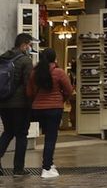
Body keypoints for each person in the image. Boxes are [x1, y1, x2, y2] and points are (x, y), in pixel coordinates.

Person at [25, 48, 72, 178]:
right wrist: (62, 99)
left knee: (44, 135)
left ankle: (48, 165)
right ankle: (47, 167)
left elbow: (29, 92)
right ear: (54, 58)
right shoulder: (59, 72)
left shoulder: (34, 73)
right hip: (54, 108)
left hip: (37, 109)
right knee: (50, 138)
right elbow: (68, 89)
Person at [0, 33, 36, 176]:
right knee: (21, 134)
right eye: (30, 45)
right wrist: (31, 102)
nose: (30, 48)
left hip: (3, 102)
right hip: (20, 104)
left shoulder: (3, 58)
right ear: (24, 45)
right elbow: (29, 84)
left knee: (8, 132)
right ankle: (18, 168)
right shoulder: (25, 60)